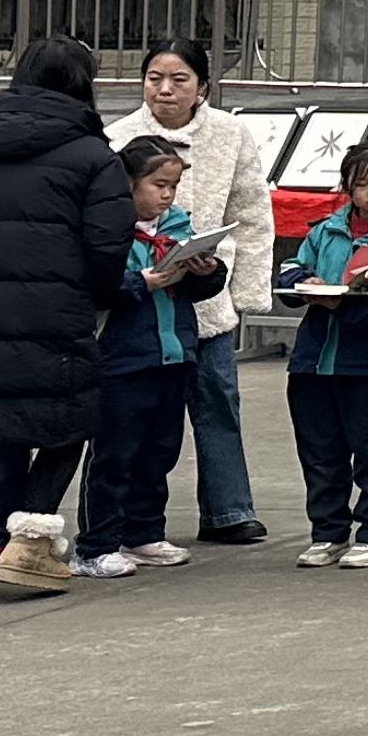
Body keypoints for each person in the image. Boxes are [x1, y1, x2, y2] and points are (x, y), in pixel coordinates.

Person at [112, 40, 276, 548]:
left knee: (218, 400)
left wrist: (246, 289)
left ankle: (229, 509)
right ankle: (125, 522)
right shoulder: (117, 136)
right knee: (135, 422)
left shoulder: (230, 133)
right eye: (154, 78)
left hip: (208, 295)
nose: (164, 89)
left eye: (179, 79)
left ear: (202, 86)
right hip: (140, 303)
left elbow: (251, 211)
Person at [0, 35, 123, 600]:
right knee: (70, 423)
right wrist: (97, 296)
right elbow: (107, 247)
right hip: (54, 319)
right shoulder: (93, 155)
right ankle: (31, 543)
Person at [276, 139, 368, 570]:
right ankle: (328, 532)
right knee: (320, 452)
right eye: (362, 184)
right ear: (346, 188)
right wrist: (307, 283)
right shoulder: (325, 230)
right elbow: (289, 271)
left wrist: (356, 302)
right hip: (313, 359)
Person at [77, 133, 218, 576]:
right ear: (129, 183)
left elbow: (201, 290)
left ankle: (144, 532)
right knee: (115, 453)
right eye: (158, 185)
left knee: (160, 450)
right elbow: (95, 286)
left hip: (172, 355)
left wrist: (206, 270)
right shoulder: (108, 230)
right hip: (122, 359)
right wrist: (141, 282)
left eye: (173, 186)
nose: (167, 195)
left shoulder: (178, 226)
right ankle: (96, 544)